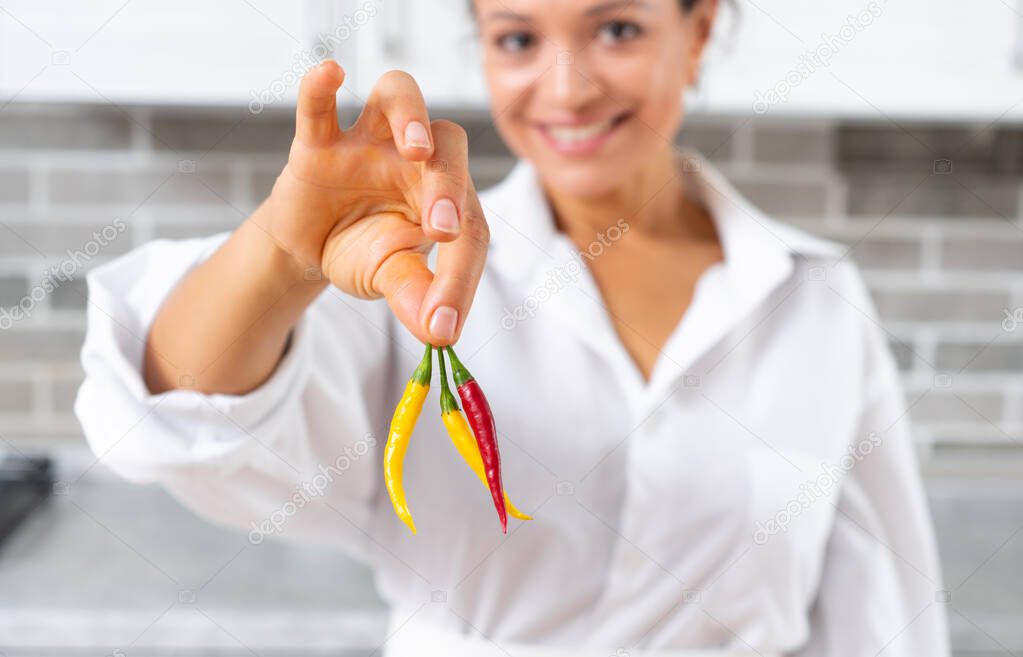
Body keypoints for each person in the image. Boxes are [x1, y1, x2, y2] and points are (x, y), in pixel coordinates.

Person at [75, 0, 950, 655]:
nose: (565, 87)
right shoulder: (414, 276)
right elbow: (177, 412)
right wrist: (280, 254)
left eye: (616, 29)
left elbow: (885, 613)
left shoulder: (813, 298)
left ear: (698, 30)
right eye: (518, 39)